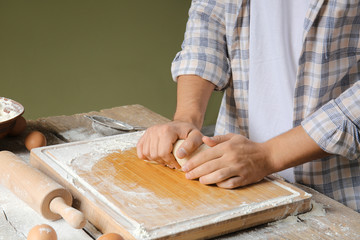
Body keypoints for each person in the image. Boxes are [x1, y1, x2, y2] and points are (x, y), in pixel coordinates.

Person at [137, 0, 360, 212]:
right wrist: (186, 118)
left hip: (338, 192)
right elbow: (208, 21)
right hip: (232, 179)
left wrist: (268, 156)